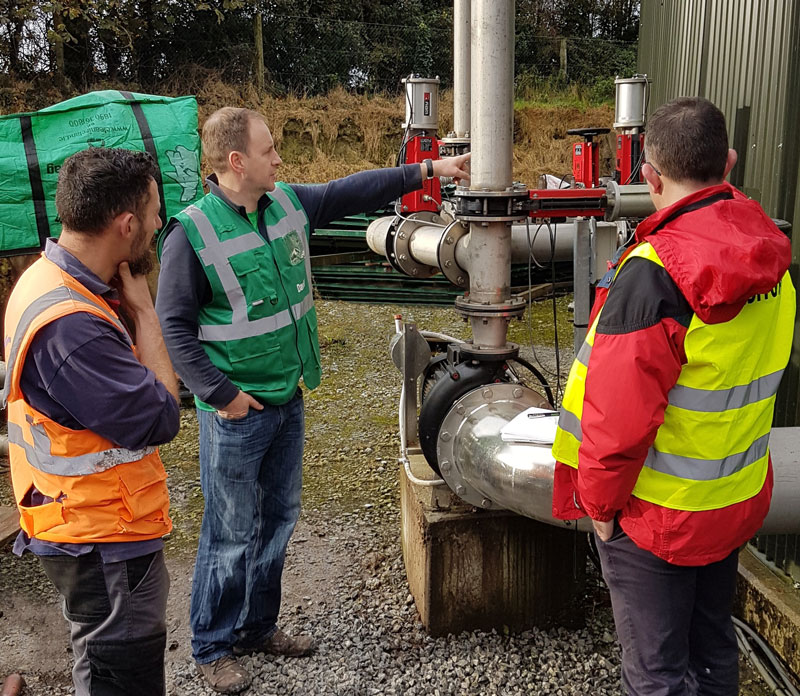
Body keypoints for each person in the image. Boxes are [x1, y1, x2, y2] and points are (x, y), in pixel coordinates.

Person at [155, 106, 470, 694]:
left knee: (276, 520)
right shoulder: (190, 234)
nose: (280, 158)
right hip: (236, 412)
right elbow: (173, 328)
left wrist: (431, 169)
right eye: (269, 150)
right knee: (230, 531)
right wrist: (222, 396)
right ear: (235, 161)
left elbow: (351, 190)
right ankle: (212, 644)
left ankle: (257, 627)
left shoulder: (287, 204)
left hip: (287, 397)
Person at [551, 96, 795, 695]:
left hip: (654, 518)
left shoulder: (655, 273)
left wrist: (600, 506)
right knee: (712, 652)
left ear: (650, 176)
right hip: (730, 502)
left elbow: (617, 417)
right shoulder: (773, 260)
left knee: (657, 674)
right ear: (729, 162)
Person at [3, 148, 180, 696]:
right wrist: (147, 316)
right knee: (120, 675)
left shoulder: (50, 278)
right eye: (153, 213)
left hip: (80, 525)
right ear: (125, 226)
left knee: (97, 657)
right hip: (104, 535)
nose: (158, 223)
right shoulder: (73, 330)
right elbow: (161, 415)